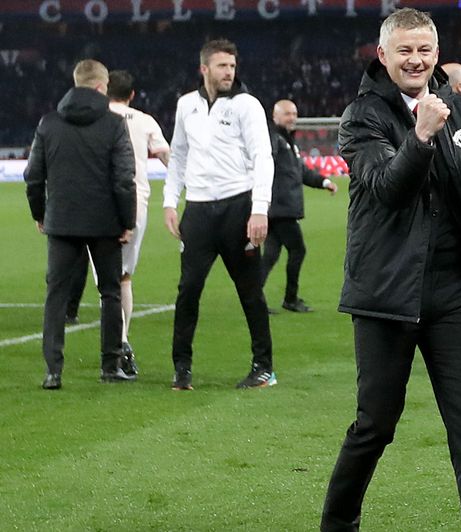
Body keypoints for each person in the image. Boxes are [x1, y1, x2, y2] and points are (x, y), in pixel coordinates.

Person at [320, 8, 461, 531]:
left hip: (455, 292)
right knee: (375, 425)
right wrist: (420, 136)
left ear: (437, 54)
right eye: (405, 50)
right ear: (383, 55)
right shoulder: (361, 117)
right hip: (387, 293)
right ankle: (338, 523)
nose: (416, 60)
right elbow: (388, 189)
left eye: (425, 50)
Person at [163, 39, 275, 390]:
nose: (229, 72)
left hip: (237, 207)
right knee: (188, 290)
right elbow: (178, 155)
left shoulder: (247, 105)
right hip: (197, 210)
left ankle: (263, 367)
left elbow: (262, 157)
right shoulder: (186, 106)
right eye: (222, 66)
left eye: (232, 66)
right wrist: (170, 200)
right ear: (204, 69)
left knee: (250, 291)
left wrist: (259, 209)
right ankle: (181, 368)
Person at [24, 59, 137, 389]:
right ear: (103, 87)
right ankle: (110, 365)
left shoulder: (48, 123)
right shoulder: (115, 125)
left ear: (76, 84)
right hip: (105, 224)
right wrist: (127, 220)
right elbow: (123, 180)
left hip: (61, 223)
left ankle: (53, 372)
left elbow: (33, 177)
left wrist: (40, 214)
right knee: (110, 292)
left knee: (56, 296)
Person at [106, 70, 171, 373]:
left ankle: (114, 345)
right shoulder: (144, 120)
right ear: (132, 94)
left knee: (104, 279)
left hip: (96, 204)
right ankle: (121, 340)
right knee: (124, 276)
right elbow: (166, 155)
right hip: (135, 204)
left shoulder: (96, 117)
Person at [262, 99, 338, 314]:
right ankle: (290, 298)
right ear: (275, 117)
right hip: (280, 208)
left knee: (271, 255)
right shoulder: (273, 140)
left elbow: (301, 172)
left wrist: (324, 182)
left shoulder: (288, 142)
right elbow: (261, 166)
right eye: (287, 114)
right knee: (298, 250)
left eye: (294, 113)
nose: (292, 118)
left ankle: (253, 297)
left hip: (279, 208)